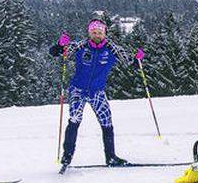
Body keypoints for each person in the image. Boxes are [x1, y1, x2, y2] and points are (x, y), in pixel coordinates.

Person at [50, 18, 144, 169]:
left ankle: (111, 157)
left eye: (100, 32)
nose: (97, 35)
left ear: (104, 33)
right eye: (94, 32)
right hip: (78, 90)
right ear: (89, 32)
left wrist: (137, 60)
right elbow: (55, 53)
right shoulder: (80, 45)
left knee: (106, 122)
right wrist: (60, 45)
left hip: (97, 92)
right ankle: (67, 157)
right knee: (74, 119)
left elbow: (130, 63)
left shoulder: (112, 49)